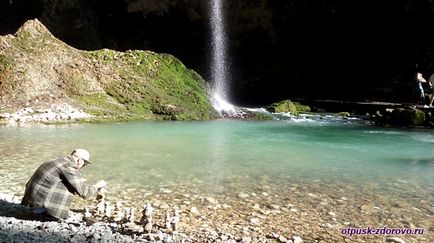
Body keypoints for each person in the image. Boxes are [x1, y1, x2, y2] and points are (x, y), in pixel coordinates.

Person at [21, 149, 106, 220]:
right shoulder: (69, 167)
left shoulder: (58, 160)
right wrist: (97, 186)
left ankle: (39, 211)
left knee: (70, 184)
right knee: (73, 188)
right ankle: (47, 213)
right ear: (79, 160)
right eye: (85, 164)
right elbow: (85, 193)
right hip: (39, 209)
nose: (84, 166)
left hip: (30, 203)